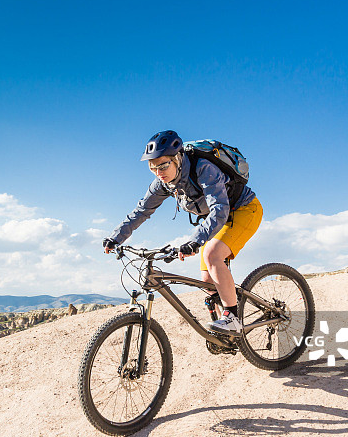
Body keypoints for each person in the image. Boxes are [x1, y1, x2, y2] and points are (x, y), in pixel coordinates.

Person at [102, 130, 263, 334]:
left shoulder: (204, 168)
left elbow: (220, 210)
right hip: (214, 221)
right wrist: (115, 238)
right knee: (207, 281)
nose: (159, 172)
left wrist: (194, 241)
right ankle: (229, 326)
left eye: (163, 165)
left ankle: (233, 318)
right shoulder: (162, 183)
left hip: (243, 210)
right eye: (152, 167)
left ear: (177, 158)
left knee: (212, 255)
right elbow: (142, 211)